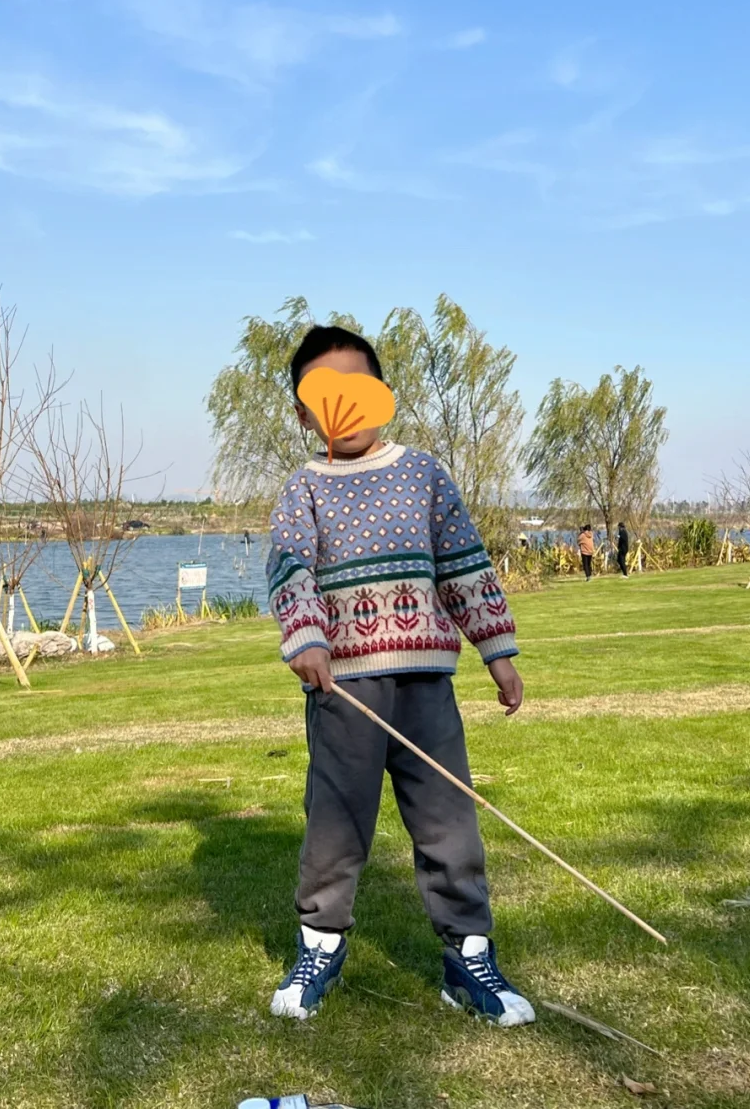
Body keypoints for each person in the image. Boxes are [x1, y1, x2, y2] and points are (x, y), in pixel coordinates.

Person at [266, 324, 534, 1028]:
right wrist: (307, 636)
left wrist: (497, 650)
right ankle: (320, 945)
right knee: (336, 822)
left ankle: (467, 955)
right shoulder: (303, 489)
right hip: (344, 691)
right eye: (325, 396)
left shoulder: (423, 474)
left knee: (450, 821)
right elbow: (291, 567)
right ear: (303, 414)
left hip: (424, 685)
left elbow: (463, 561)